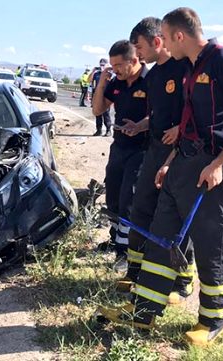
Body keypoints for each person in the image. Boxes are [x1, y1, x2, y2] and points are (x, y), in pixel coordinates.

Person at [99, 7, 223, 346]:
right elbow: (189, 122)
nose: (164, 51)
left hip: (215, 166)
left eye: (166, 39)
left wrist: (218, 163)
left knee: (213, 242)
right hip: (183, 163)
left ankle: (212, 320)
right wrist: (170, 160)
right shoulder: (191, 67)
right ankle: (143, 312)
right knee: (162, 236)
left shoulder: (222, 60)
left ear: (177, 35)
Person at [109, 17, 196, 305]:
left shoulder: (185, 68)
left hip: (181, 153)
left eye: (139, 47)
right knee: (141, 209)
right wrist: (141, 126)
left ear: (157, 42)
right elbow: (156, 117)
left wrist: (179, 130)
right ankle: (136, 272)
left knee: (177, 217)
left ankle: (183, 280)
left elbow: (194, 111)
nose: (137, 53)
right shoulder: (154, 76)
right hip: (154, 150)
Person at [92, 40, 149, 272]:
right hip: (120, 146)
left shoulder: (151, 82)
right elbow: (98, 110)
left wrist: (140, 126)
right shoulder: (117, 83)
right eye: (112, 65)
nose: (114, 69)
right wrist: (102, 83)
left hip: (142, 149)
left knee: (129, 200)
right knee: (113, 196)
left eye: (118, 65)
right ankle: (116, 239)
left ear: (134, 60)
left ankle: (126, 252)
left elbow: (162, 115)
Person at [89, 59, 113, 136]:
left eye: (103, 65)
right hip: (96, 96)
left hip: (105, 96)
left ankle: (108, 130)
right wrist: (93, 71)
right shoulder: (96, 74)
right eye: (101, 65)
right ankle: (99, 130)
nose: (101, 66)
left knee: (106, 114)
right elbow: (89, 80)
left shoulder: (109, 74)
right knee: (97, 114)